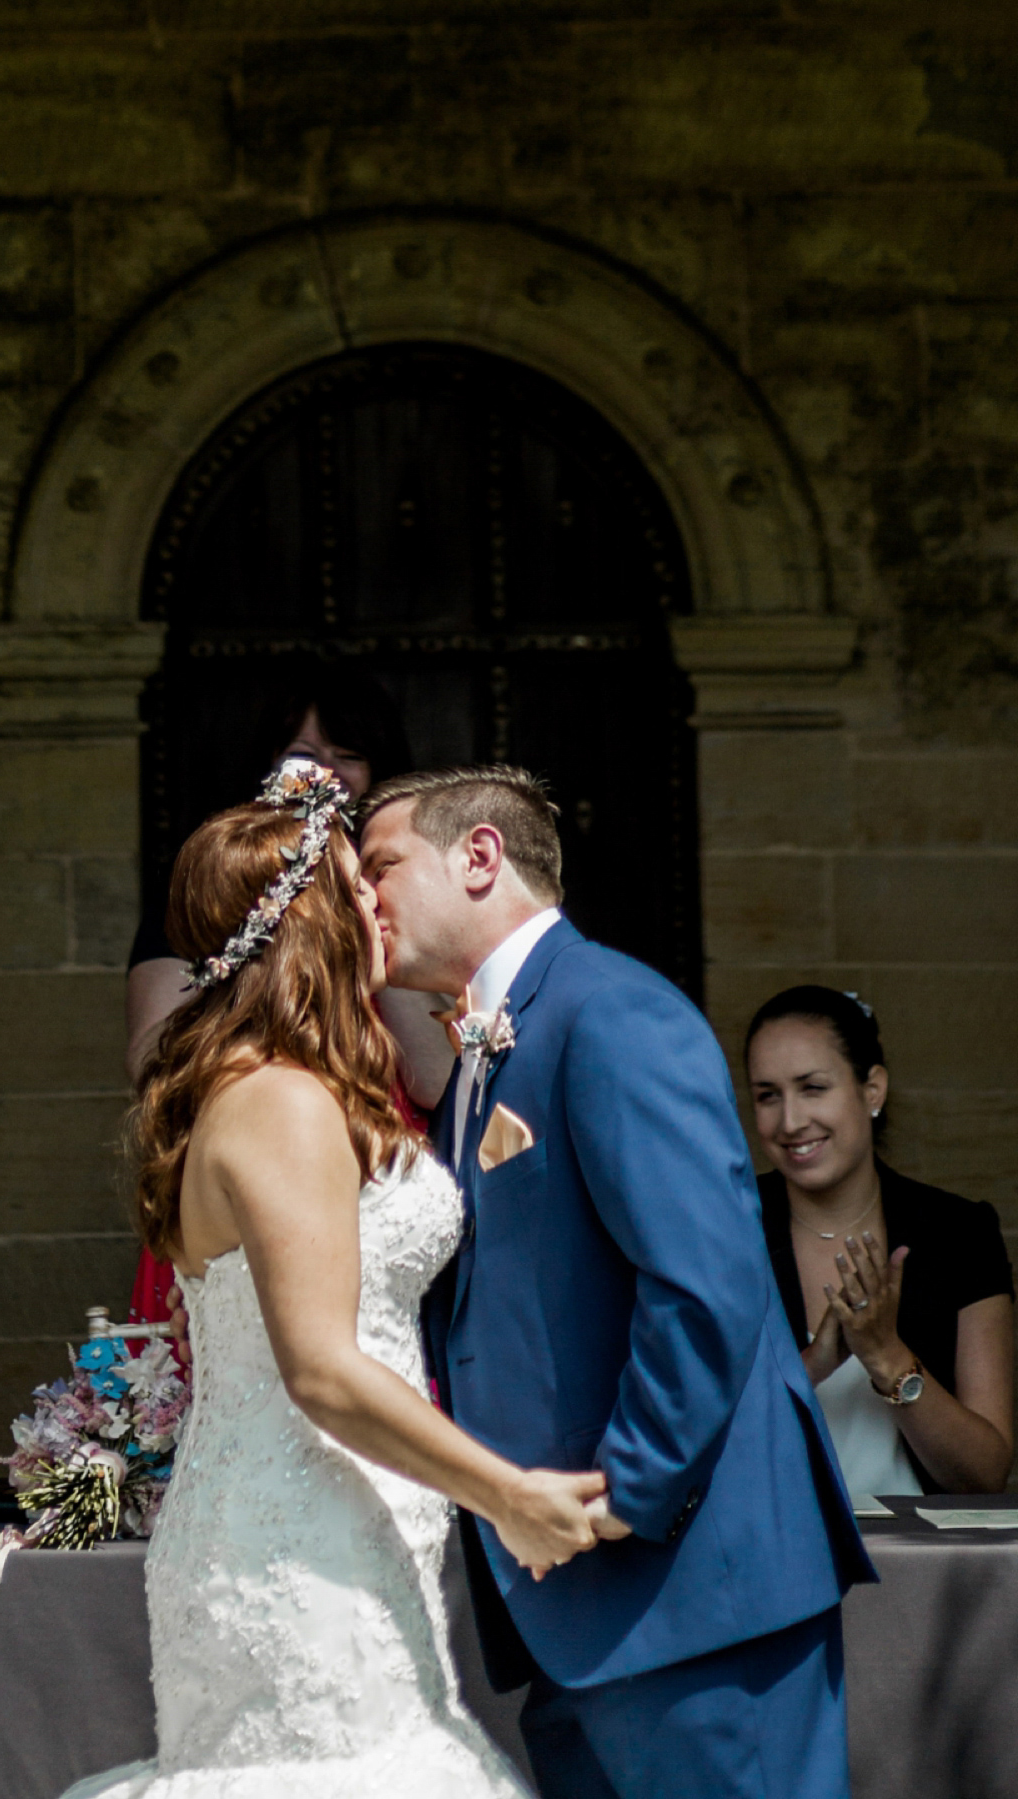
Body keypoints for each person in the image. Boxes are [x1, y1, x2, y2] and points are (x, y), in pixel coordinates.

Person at [63, 759, 605, 1799]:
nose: (382, 899)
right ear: (311, 919)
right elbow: (317, 1364)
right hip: (293, 1536)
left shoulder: (294, 1087)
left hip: (338, 1513)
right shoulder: (276, 1100)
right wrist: (508, 1492)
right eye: (361, 882)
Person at [357, 765, 875, 1799]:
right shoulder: (475, 1057)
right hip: (573, 1616)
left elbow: (704, 1284)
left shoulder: (615, 1012)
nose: (359, 897)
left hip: (690, 1592)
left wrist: (618, 1499)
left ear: (480, 856)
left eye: (380, 866)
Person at [124, 663, 452, 1345]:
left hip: (375, 1148)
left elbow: (433, 1076)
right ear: (268, 763)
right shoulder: (210, 888)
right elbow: (152, 1056)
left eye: (348, 756)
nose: (325, 774)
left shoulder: (389, 894)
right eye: (304, 755)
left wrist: (354, 923)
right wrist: (273, 959)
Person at [745, 985, 1014, 1498]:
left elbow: (985, 1473)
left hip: (922, 1563)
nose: (791, 1121)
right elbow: (691, 1443)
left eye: (813, 1088)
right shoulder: (725, 1231)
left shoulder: (958, 1232)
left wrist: (886, 1355)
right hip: (765, 1557)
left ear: (872, 1090)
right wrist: (815, 1364)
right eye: (768, 1096)